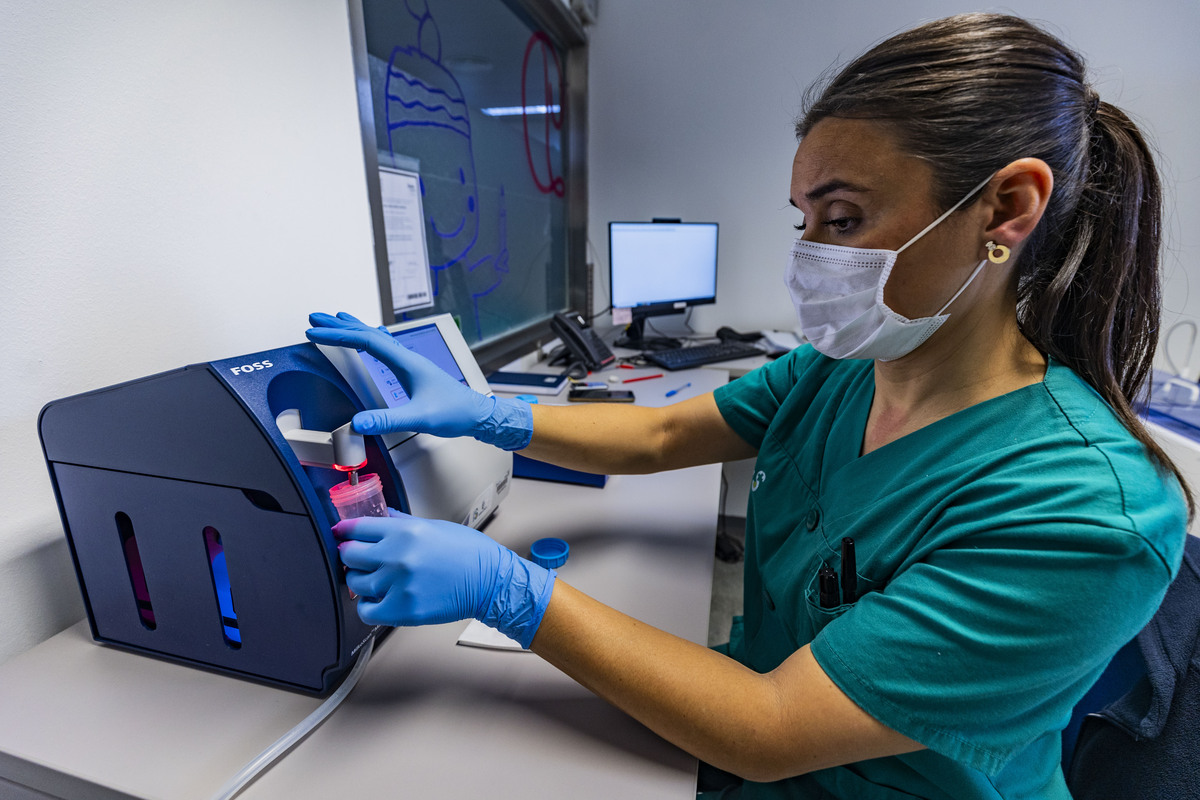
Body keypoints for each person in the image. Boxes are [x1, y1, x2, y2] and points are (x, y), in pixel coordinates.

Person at [305, 13, 1190, 799]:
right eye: (802, 219)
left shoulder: (1082, 509)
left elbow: (770, 727)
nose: (806, 259)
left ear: (1007, 207)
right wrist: (485, 410)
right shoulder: (841, 369)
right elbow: (655, 434)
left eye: (842, 220)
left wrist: (507, 592)